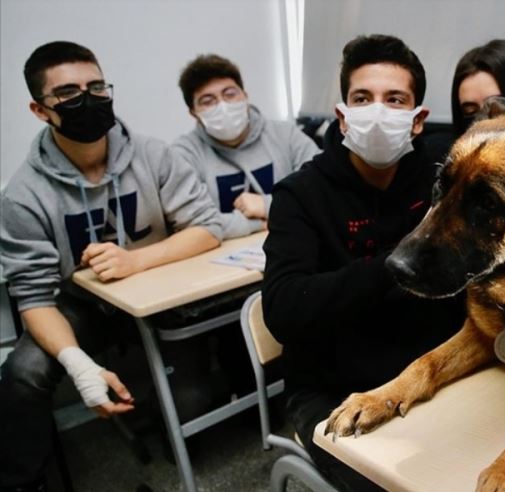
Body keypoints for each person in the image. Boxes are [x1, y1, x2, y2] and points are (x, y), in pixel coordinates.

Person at [0, 41, 223, 492]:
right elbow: (35, 299)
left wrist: (136, 259)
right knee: (22, 371)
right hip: (83, 309)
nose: (88, 99)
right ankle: (24, 484)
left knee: (198, 411)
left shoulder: (153, 154)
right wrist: (78, 365)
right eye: (67, 93)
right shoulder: (22, 194)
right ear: (40, 110)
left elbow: (208, 228)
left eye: (96, 86)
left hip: (159, 293)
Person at [262, 34, 465, 491]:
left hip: (432, 368)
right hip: (333, 388)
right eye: (362, 98)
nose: (377, 112)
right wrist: (400, 261)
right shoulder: (301, 194)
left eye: (395, 100)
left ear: (417, 121)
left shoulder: (442, 175)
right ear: (342, 115)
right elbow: (283, 309)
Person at [172, 54, 320, 239]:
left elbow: (321, 191)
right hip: (220, 262)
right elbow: (193, 222)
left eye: (230, 94)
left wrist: (268, 205)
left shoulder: (285, 134)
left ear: (245, 96)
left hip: (297, 244)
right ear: (193, 113)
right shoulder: (183, 154)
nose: (223, 106)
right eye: (208, 101)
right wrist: (258, 223)